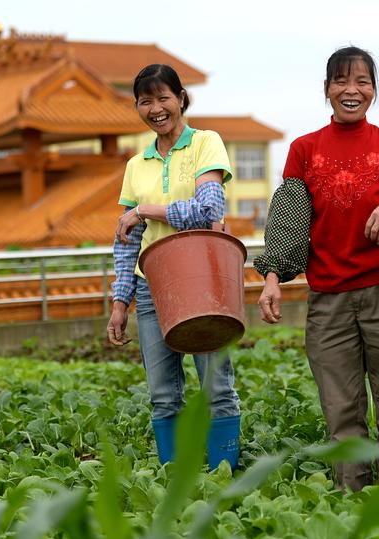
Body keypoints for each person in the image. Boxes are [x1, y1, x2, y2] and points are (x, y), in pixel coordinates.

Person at [254, 46, 379, 490]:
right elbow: (288, 222)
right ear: (326, 90)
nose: (351, 90)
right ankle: (351, 500)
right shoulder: (304, 150)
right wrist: (271, 279)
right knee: (342, 414)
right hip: (329, 303)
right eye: (341, 81)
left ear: (373, 91)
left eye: (362, 81)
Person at [107, 64, 241, 471]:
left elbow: (209, 210)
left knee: (216, 387)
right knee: (163, 395)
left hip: (204, 280)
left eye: (163, 97)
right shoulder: (136, 165)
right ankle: (174, 478)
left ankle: (224, 473)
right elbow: (127, 241)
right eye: (145, 101)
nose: (156, 108)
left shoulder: (205, 144)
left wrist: (148, 209)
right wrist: (119, 300)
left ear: (181, 99)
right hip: (151, 289)